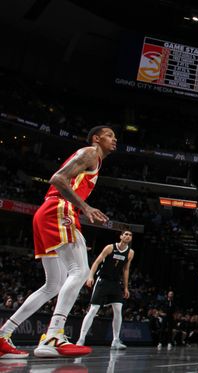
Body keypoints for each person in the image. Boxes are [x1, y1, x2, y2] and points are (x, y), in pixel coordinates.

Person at [0, 126, 114, 359]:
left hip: (47, 212)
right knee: (80, 271)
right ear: (96, 138)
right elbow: (58, 178)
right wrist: (85, 207)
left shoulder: (94, 160)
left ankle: (3, 335)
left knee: (53, 285)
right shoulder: (90, 153)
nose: (115, 139)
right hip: (59, 209)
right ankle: (54, 335)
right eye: (110, 135)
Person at [76, 230, 135, 349]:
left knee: (118, 310)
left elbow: (126, 270)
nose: (128, 236)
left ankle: (116, 340)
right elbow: (97, 262)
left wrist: (126, 287)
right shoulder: (110, 248)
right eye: (126, 234)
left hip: (115, 283)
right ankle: (81, 339)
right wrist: (90, 276)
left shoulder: (130, 253)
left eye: (130, 235)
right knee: (93, 310)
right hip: (103, 280)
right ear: (121, 236)